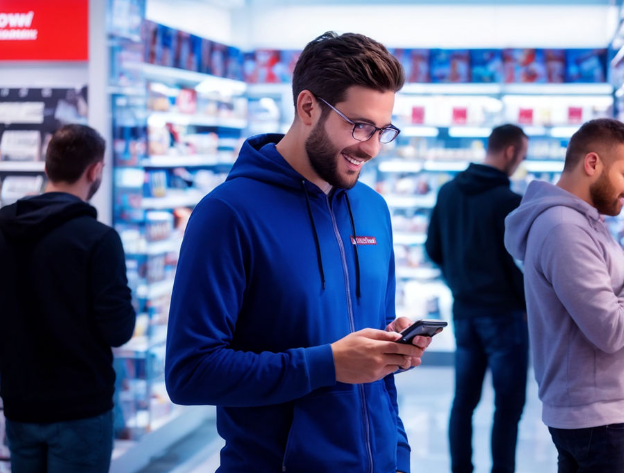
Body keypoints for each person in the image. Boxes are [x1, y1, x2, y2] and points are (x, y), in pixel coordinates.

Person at [165, 32, 432, 473]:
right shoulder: (228, 214)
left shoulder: (372, 210)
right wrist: (326, 364)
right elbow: (190, 373)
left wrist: (396, 451)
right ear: (308, 107)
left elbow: (376, 379)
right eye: (359, 125)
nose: (370, 147)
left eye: (382, 130)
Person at [504, 118, 624, 473]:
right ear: (593, 163)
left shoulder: (581, 222)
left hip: (593, 410)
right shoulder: (565, 229)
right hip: (596, 418)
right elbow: (610, 329)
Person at [0, 124, 136, 473]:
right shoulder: (99, 240)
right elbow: (117, 330)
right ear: (95, 171)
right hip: (81, 409)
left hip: (19, 403)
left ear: (47, 168)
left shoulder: (4, 228)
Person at [425, 124, 529, 473]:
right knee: (508, 407)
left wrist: (459, 279)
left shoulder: (448, 192)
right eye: (522, 156)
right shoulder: (510, 202)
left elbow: (432, 248)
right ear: (511, 152)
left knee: (463, 402)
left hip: (465, 312)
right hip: (505, 317)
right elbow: (518, 265)